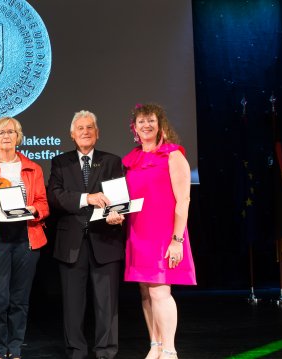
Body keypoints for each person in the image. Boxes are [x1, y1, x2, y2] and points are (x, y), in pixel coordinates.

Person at [0, 117, 50, 359]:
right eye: (1, 132)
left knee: (20, 299)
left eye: (11, 132)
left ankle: (14, 348)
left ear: (18, 137)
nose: (6, 136)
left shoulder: (34, 168)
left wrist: (35, 209)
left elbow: (43, 204)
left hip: (26, 238)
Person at [47, 110, 125, 359]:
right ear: (72, 134)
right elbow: (55, 197)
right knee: (72, 304)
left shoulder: (112, 161)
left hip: (105, 239)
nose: (85, 131)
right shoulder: (60, 162)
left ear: (98, 133)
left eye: (90, 127)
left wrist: (118, 214)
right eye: (80, 128)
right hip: (71, 242)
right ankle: (76, 352)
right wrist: (86, 198)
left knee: (107, 303)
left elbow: (119, 198)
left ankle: (106, 352)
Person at [123, 103, 196, 359]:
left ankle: (169, 350)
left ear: (159, 124)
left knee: (160, 292)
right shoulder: (132, 160)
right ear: (134, 128)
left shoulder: (173, 156)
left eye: (150, 121)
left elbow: (183, 201)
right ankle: (154, 345)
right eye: (141, 122)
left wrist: (177, 240)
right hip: (138, 233)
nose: (146, 126)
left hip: (165, 234)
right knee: (146, 291)